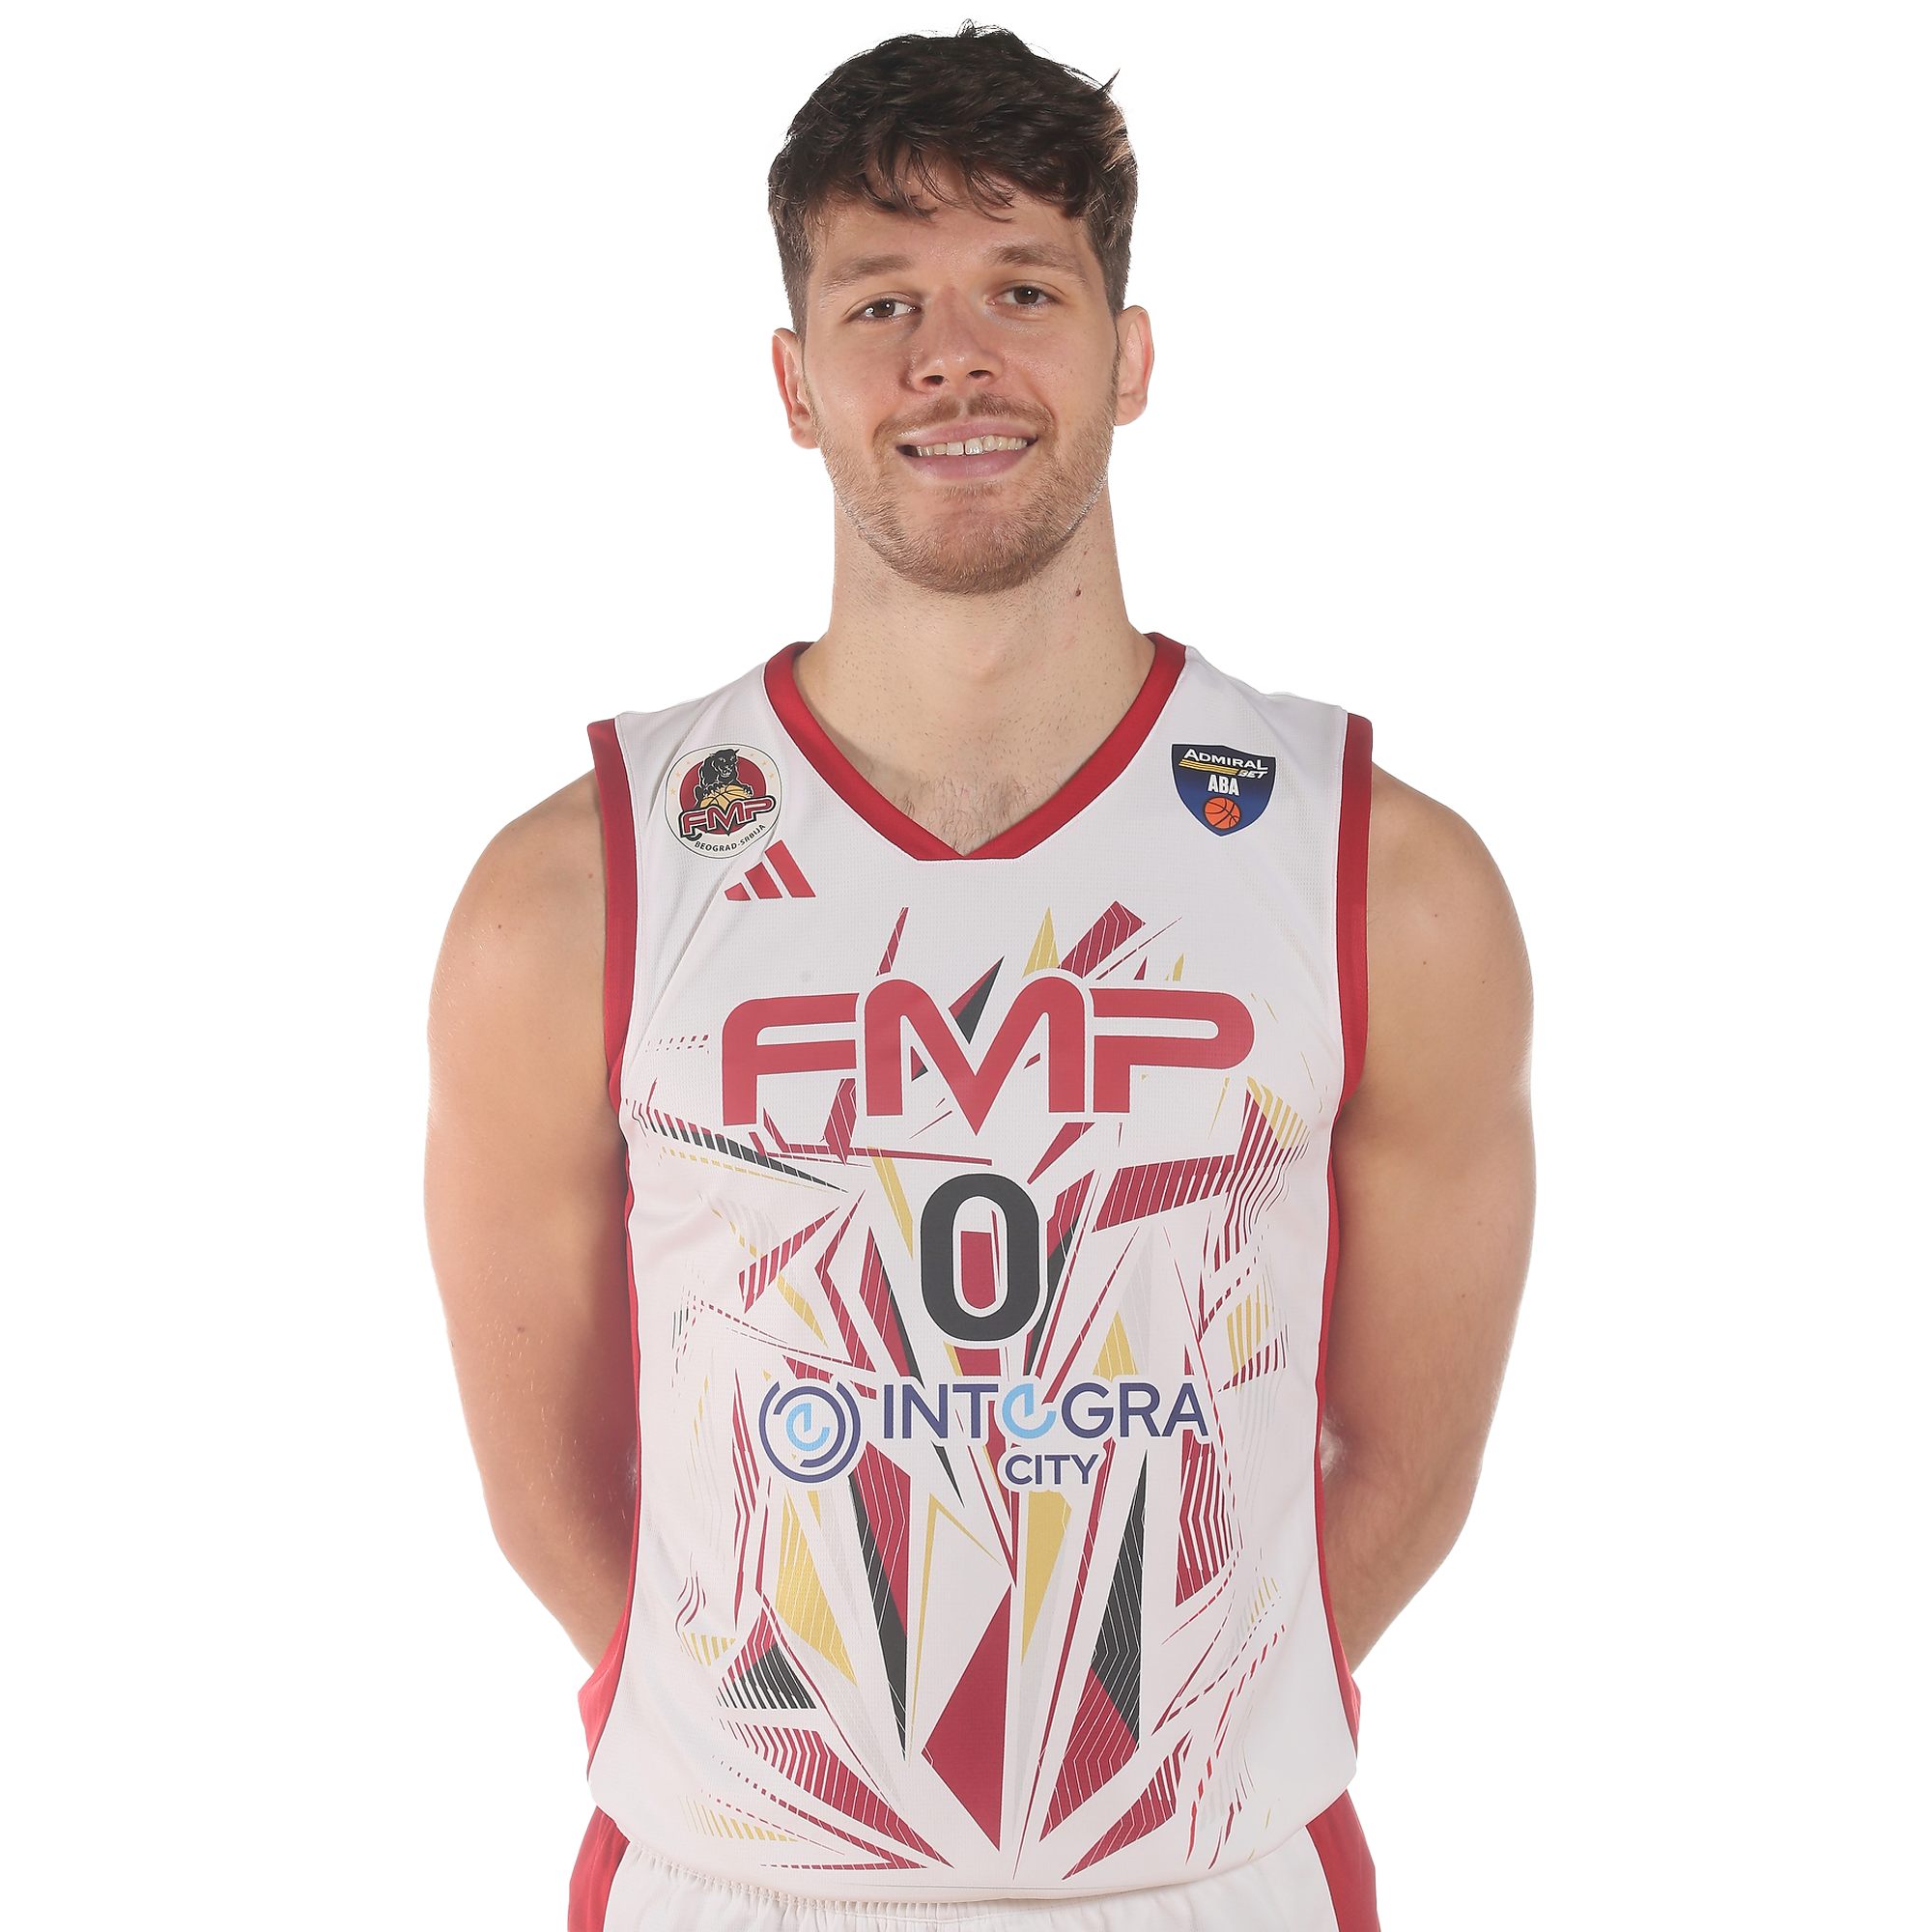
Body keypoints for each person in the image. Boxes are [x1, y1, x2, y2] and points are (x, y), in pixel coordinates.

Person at [425, 21, 1532, 1932]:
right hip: (739, 1877)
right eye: (883, 303)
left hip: (1204, 1874)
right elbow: (552, 1497)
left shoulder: (1380, 876)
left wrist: (1155, 1741)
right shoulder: (576, 888)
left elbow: (1405, 1466)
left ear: (1130, 354)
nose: (954, 357)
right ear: (795, 383)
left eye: (1024, 287)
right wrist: (806, 1761)